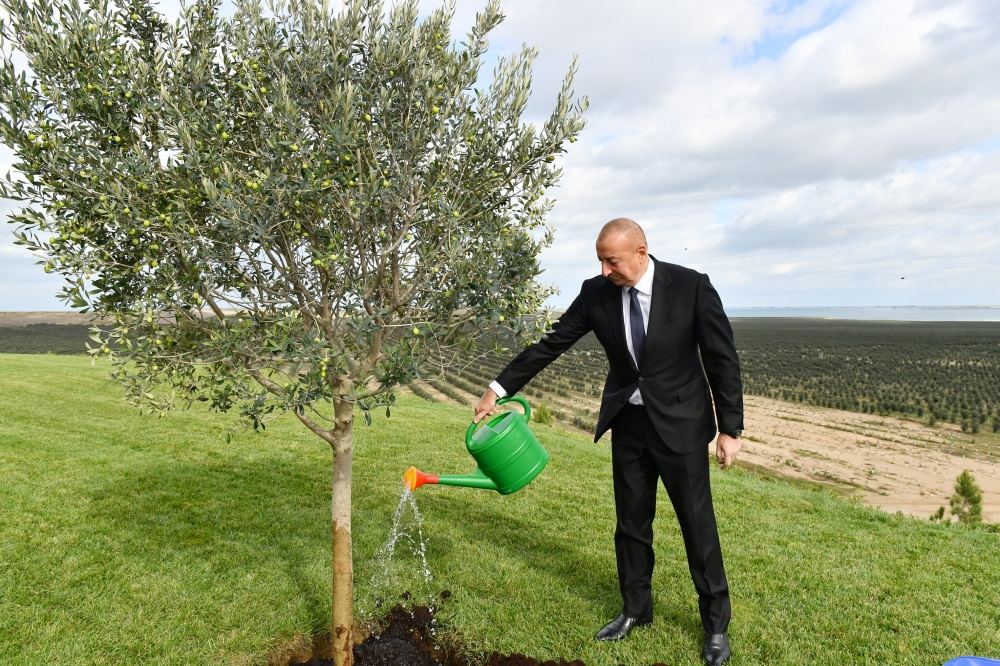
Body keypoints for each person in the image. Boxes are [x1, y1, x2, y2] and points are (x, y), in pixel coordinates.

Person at [474, 218, 744, 666]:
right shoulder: (595, 292)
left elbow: (722, 358)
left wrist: (729, 428)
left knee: (698, 528)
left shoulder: (692, 287)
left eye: (611, 260)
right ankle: (636, 610)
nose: (604, 270)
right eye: (599, 260)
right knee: (631, 525)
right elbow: (552, 343)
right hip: (630, 425)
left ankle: (715, 625)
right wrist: (498, 389)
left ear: (641, 252)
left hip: (681, 426)